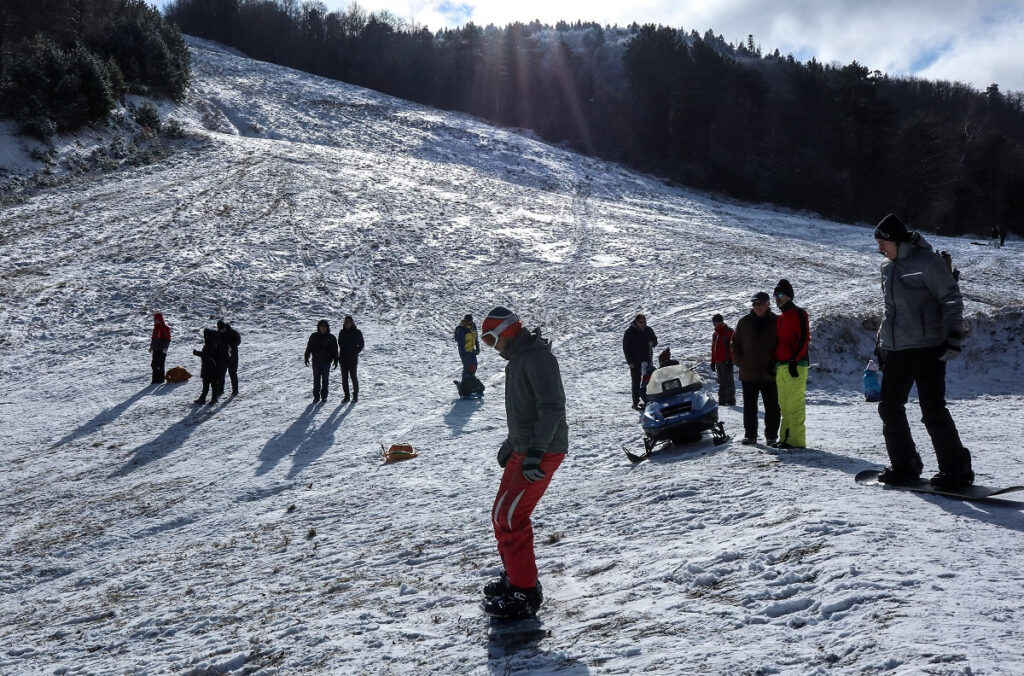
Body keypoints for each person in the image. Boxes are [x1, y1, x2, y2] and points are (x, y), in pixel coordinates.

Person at [478, 306, 568, 619]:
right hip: (526, 447)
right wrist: (513, 442)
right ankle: (515, 576)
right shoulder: (518, 361)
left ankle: (525, 592)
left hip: (543, 450)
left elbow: (552, 408)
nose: (491, 346)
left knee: (512, 517)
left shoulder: (538, 358)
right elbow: (525, 411)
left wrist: (534, 452)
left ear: (507, 330)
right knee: (501, 513)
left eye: (491, 338)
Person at [873, 213, 973, 489]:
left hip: (929, 347)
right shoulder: (886, 266)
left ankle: (957, 470)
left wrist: (953, 335)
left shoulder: (927, 262)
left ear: (895, 240)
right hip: (897, 350)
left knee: (932, 410)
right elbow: (890, 309)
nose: (880, 247)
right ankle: (905, 465)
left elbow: (951, 298)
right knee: (889, 407)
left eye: (882, 242)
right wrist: (882, 342)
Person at [731, 291, 780, 446]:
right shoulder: (744, 322)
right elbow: (735, 343)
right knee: (750, 406)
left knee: (772, 406)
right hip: (749, 372)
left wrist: (777, 362)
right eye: (755, 304)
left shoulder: (777, 321)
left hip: (770, 372)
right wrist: (740, 362)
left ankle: (771, 436)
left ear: (768, 304)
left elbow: (782, 344)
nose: (757, 307)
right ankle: (750, 435)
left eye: (761, 303)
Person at [773, 279, 810, 448]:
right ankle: (785, 439)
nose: (777, 298)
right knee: (784, 405)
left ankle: (796, 441)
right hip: (781, 366)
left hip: (796, 365)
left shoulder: (799, 313)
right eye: (775, 295)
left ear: (789, 296)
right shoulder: (781, 318)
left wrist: (795, 360)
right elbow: (779, 343)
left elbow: (804, 338)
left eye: (780, 294)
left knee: (795, 404)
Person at [622, 314, 657, 410]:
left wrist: (652, 343)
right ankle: (635, 402)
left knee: (649, 380)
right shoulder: (629, 332)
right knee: (636, 380)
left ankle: (648, 400)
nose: (643, 324)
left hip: (647, 359)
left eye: (644, 322)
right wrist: (630, 361)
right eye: (641, 322)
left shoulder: (648, 330)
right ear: (636, 322)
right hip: (635, 361)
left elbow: (655, 341)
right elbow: (626, 348)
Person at [305, 319, 339, 403]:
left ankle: (324, 396)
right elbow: (309, 347)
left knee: (325, 380)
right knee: (316, 380)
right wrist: (306, 357)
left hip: (326, 362)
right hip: (316, 362)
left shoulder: (331, 337)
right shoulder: (314, 336)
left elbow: (335, 350)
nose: (323, 328)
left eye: (324, 327)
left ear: (327, 328)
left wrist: (336, 360)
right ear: (318, 327)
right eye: (321, 327)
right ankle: (316, 396)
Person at [193, 328, 227, 405]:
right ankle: (207, 398)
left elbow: (206, 355)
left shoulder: (211, 344)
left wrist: (196, 353)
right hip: (211, 368)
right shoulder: (215, 343)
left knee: (210, 384)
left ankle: (207, 398)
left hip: (210, 368)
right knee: (211, 384)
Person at [454, 314, 484, 396]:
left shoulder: (473, 326)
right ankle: (463, 387)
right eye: (467, 321)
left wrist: (477, 348)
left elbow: (475, 338)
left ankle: (470, 384)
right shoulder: (461, 329)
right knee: (467, 368)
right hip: (465, 352)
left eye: (470, 321)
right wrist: (463, 354)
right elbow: (460, 343)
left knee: (474, 366)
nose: (468, 323)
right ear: (464, 321)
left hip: (471, 351)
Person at [337, 315, 364, 403]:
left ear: (352, 323)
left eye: (348, 322)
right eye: (345, 322)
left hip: (352, 359)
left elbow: (361, 344)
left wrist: (354, 352)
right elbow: (340, 343)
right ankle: (346, 396)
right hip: (343, 359)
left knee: (353, 377)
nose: (346, 324)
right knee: (344, 378)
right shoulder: (342, 332)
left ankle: (355, 396)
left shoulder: (357, 332)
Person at [710, 314, 736, 405]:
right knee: (721, 381)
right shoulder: (715, 334)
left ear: (718, 321)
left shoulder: (729, 331)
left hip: (726, 360)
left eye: (714, 322)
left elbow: (733, 347)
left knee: (728, 380)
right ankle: (722, 401)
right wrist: (713, 362)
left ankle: (731, 400)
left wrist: (731, 359)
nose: (713, 324)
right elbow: (713, 349)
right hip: (718, 361)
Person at [217, 319, 241, 396]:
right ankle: (220, 390)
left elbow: (238, 340)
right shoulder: (218, 334)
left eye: (222, 329)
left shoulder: (233, 332)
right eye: (220, 329)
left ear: (225, 327)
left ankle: (235, 390)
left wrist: (231, 345)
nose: (221, 331)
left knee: (232, 373)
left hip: (232, 356)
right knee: (221, 374)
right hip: (223, 357)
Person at [149, 313, 171, 384]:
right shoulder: (155, 329)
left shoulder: (165, 328)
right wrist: (151, 347)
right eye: (155, 320)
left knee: (161, 365)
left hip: (162, 350)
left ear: (161, 320)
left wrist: (165, 347)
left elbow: (167, 339)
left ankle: (160, 379)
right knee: (153, 364)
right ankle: (155, 379)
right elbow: (153, 339)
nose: (156, 321)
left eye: (157, 320)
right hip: (155, 349)